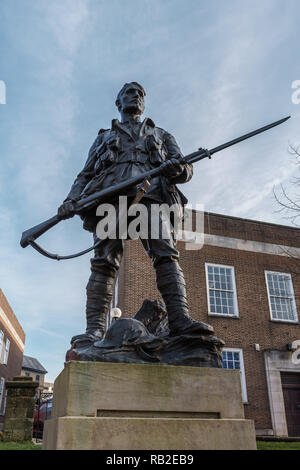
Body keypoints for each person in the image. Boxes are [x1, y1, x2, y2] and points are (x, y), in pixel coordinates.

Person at [58, 82, 213, 344]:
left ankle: (179, 319)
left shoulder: (162, 134)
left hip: (152, 199)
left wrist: (175, 169)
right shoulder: (103, 137)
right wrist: (70, 199)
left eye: (141, 94)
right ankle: (94, 329)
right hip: (111, 200)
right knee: (104, 262)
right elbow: (85, 174)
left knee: (166, 255)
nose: (136, 97)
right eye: (129, 93)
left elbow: (186, 170)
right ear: (119, 103)